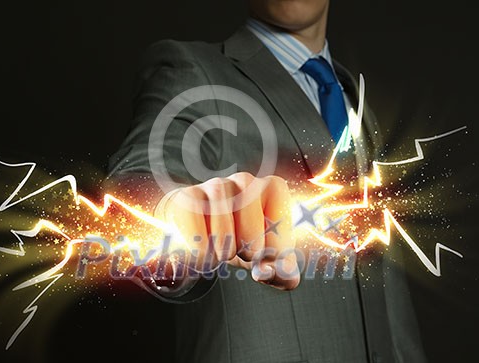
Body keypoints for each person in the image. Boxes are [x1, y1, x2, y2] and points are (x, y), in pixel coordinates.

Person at [106, 0, 427, 362]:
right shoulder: (192, 70)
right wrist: (177, 210)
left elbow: (388, 301)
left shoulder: (355, 100)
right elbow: (136, 182)